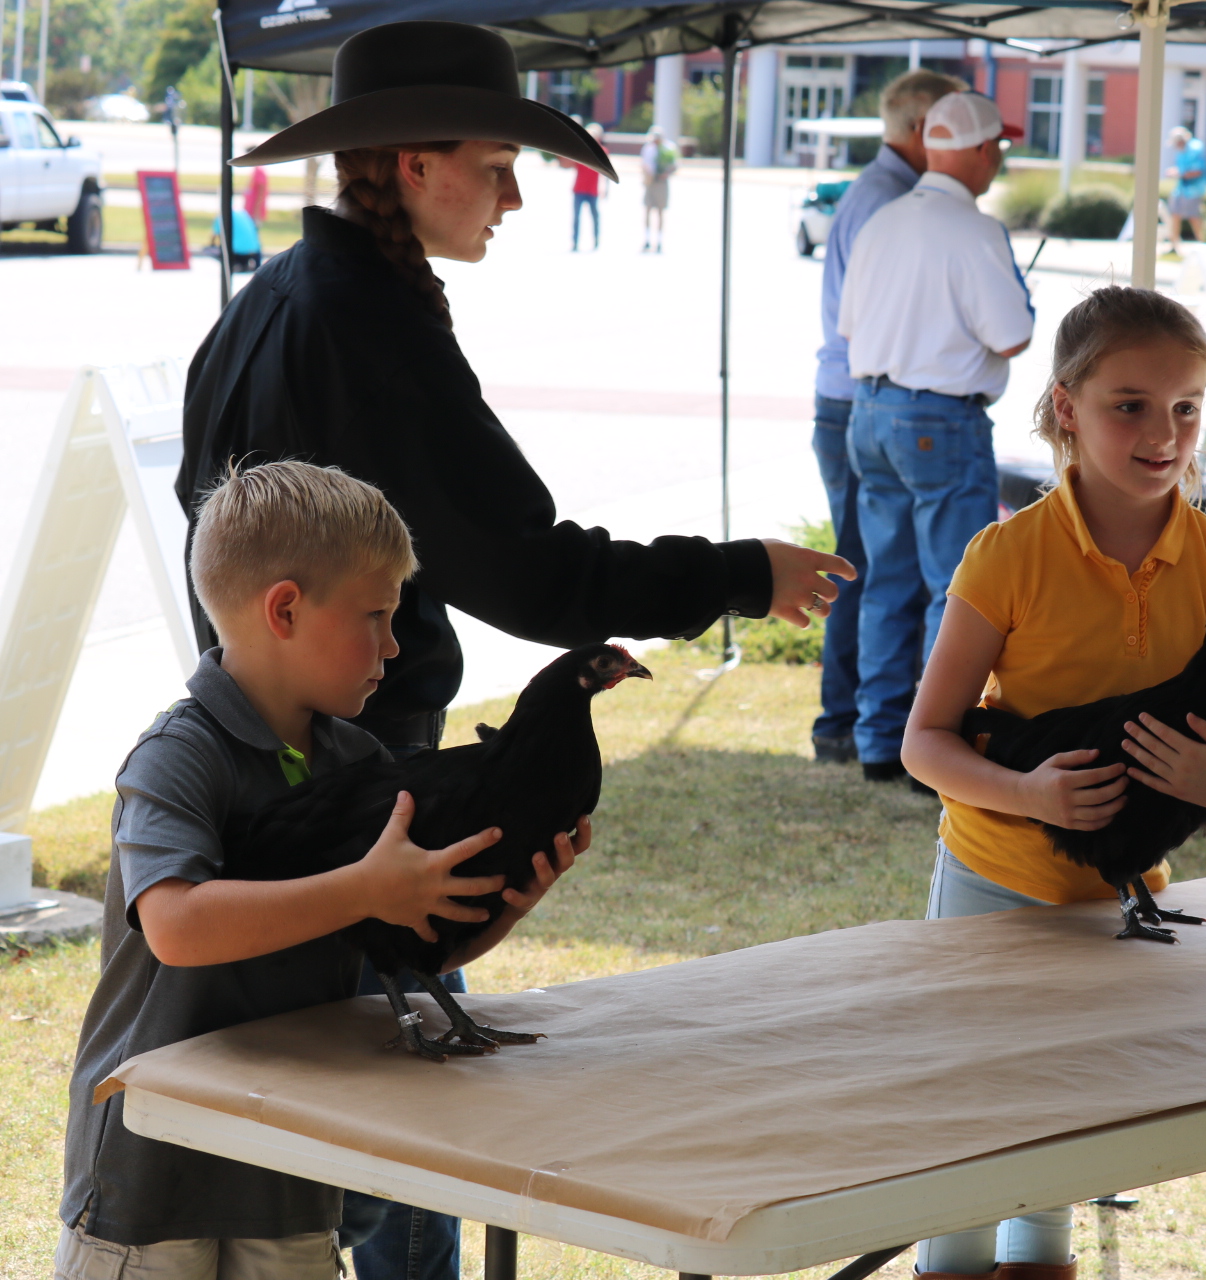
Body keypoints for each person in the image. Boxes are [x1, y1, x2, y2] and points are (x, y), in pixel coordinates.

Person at [174, 23, 851, 1279]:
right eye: (495, 163)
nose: (516, 194)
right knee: (387, 1090)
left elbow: (200, 519)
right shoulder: (361, 316)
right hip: (352, 756)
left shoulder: (277, 294)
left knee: (356, 1048)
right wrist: (740, 571)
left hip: (267, 738)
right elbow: (531, 568)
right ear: (414, 163)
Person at [57, 462, 583, 1278]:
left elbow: (406, 948)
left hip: (293, 1166)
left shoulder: (357, 757)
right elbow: (177, 925)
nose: (395, 645)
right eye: (376, 615)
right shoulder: (178, 759)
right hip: (154, 1172)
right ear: (287, 610)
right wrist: (366, 887)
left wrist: (497, 902)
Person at [900, 287, 1206, 1279]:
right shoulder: (1008, 554)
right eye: (1131, 404)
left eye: (1188, 407)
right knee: (974, 1127)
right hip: (993, 886)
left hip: (1127, 901)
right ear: (1066, 406)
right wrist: (1029, 796)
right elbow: (926, 741)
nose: (1164, 433)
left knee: (1064, 1135)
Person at [837, 91, 1033, 784]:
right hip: (940, 419)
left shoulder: (883, 221)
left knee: (886, 582)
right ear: (981, 152)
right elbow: (1013, 333)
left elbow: (851, 328)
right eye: (998, 149)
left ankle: (880, 742)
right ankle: (937, 749)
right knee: (959, 593)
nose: (999, 161)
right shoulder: (974, 231)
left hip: (872, 411)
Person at [810, 70, 968, 764]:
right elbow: (866, 321)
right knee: (863, 573)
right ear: (919, 130)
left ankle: (864, 723)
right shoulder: (888, 201)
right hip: (864, 400)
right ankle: (845, 722)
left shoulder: (887, 195)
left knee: (872, 571)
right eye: (948, 125)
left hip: (858, 401)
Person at [1162, 125, 1206, 254]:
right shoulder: (1181, 150)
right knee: (1175, 216)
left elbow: (1197, 171)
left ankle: (1204, 245)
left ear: (1181, 141)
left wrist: (1179, 173)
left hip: (1194, 190)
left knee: (1194, 217)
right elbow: (1181, 169)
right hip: (1181, 189)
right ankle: (1173, 246)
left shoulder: (1195, 148)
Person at [640, 124, 676, 253]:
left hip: (662, 183)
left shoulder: (668, 148)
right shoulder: (648, 148)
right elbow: (643, 164)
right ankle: (647, 239)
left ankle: (659, 241)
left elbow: (675, 165)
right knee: (647, 210)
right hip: (650, 182)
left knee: (660, 212)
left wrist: (666, 173)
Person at [570, 121, 605, 252]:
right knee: (576, 217)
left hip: (592, 190)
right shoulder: (580, 150)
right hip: (579, 189)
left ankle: (596, 240)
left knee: (595, 216)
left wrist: (606, 189)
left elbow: (605, 173)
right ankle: (575, 242)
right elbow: (569, 164)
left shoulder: (602, 151)